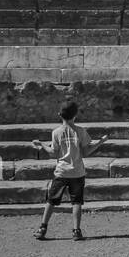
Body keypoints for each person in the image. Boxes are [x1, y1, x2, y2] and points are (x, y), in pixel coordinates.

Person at [31, 100, 106, 241]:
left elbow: (53, 153)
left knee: (51, 200)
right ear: (75, 115)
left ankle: (42, 228)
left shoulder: (56, 132)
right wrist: (100, 142)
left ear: (60, 115)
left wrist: (41, 144)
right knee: (77, 202)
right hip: (77, 172)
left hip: (61, 172)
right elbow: (86, 152)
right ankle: (76, 231)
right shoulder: (81, 131)